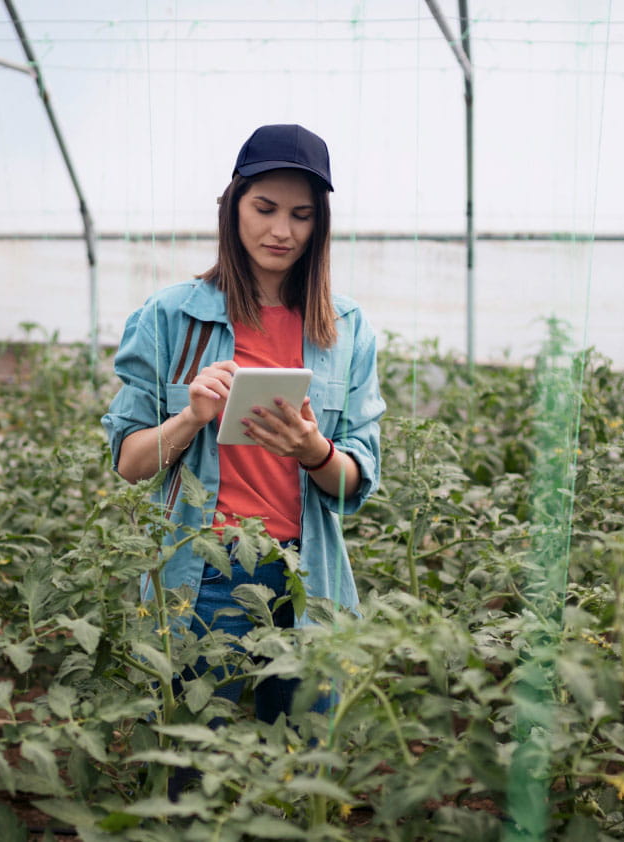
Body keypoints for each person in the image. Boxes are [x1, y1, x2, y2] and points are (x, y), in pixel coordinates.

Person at [101, 124, 385, 727]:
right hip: (201, 574)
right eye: (265, 208)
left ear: (319, 225)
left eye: (301, 215)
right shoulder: (171, 316)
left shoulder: (346, 327)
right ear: (233, 207)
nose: (282, 231)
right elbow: (129, 463)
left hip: (307, 580)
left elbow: (355, 484)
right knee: (192, 768)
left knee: (303, 764)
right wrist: (190, 417)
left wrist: (314, 450)